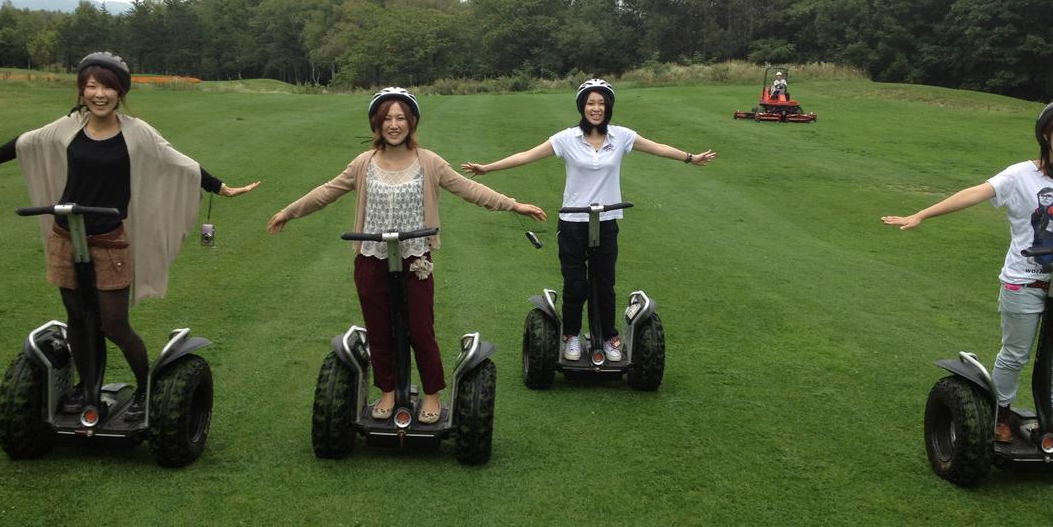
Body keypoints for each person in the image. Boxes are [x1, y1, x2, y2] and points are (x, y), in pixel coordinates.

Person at [0, 51, 260, 419]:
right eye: (91, 85)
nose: (98, 93)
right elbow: (28, 141)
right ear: (82, 90)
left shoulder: (137, 132)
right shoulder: (70, 125)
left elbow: (176, 159)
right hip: (65, 235)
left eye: (107, 87)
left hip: (108, 239)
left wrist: (220, 187)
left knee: (113, 323)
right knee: (78, 319)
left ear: (120, 92)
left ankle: (147, 392)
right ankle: (88, 389)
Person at [881, 99, 1053, 444]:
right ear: (1046, 134)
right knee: (1015, 354)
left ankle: (1051, 418)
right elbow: (975, 193)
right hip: (1023, 280)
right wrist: (922, 214)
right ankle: (1003, 413)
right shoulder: (1020, 176)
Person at [266, 87, 546, 424]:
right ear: (377, 124)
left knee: (419, 328)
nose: (394, 124)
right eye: (387, 118)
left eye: (400, 118)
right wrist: (289, 212)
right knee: (379, 328)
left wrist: (512, 204)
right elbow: (327, 191)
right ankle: (386, 391)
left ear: (411, 122)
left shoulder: (429, 162)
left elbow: (468, 188)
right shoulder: (363, 164)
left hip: (416, 259)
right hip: (371, 257)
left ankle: (431, 394)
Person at [462, 78, 716, 363]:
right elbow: (526, 156)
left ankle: (609, 336)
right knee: (576, 284)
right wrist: (487, 168)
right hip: (572, 221)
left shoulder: (621, 136)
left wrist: (689, 158)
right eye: (590, 103)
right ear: (582, 107)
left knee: (604, 282)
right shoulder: (566, 139)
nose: (596, 108)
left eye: (601, 103)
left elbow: (657, 147)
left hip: (606, 220)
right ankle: (571, 335)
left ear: (608, 108)